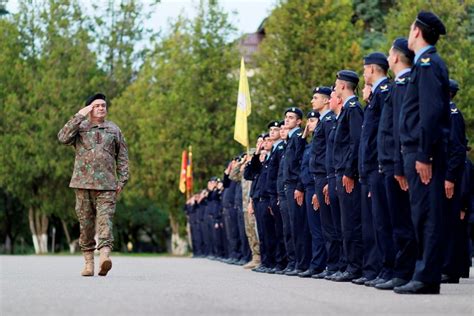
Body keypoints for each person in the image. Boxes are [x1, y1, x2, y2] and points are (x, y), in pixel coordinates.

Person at [396, 10, 450, 295]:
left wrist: (424, 155)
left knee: (427, 214)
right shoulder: (423, 65)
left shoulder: (428, 64)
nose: (408, 32)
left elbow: (429, 114)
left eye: (409, 28)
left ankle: (427, 276)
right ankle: (424, 273)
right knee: (421, 213)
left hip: (423, 151)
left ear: (417, 31)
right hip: (418, 149)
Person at [58, 93, 129, 277]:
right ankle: (88, 263)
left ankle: (105, 257)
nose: (101, 108)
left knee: (105, 222)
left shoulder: (114, 130)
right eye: (97, 105)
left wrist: (122, 181)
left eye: (103, 105)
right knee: (86, 225)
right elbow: (62, 137)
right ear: (89, 108)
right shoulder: (80, 127)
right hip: (82, 185)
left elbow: (122, 158)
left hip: (107, 185)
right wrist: (79, 115)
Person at [375, 38, 417, 290]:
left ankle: (405, 272)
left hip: (397, 165)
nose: (388, 58)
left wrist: (398, 167)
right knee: (396, 220)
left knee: (403, 221)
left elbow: (402, 129)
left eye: (390, 54)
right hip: (391, 163)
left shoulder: (403, 84)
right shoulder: (397, 86)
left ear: (397, 58)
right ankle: (401, 270)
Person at [360, 52, 395, 287]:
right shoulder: (375, 96)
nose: (364, 73)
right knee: (379, 221)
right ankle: (385, 269)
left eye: (365, 69)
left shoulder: (384, 93)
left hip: (380, 165)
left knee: (386, 220)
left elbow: (383, 134)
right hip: (374, 166)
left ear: (372, 69)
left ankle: (391, 269)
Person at [332, 70, 364, 282]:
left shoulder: (353, 109)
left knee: (352, 222)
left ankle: (355, 267)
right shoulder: (346, 110)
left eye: (336, 85)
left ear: (343, 86)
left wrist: (350, 172)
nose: (334, 88)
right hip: (342, 173)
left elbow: (355, 142)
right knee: (346, 223)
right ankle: (350, 264)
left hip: (348, 174)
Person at [441, 79, 468, 284]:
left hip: (450, 177)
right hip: (442, 175)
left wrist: (450, 177)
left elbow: (457, 149)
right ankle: (446, 266)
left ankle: (450, 269)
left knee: (450, 223)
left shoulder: (452, 114)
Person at [283, 107, 312, 276]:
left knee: (299, 226)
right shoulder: (291, 138)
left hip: (295, 185)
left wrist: (300, 186)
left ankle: (302, 263)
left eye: (291, 117)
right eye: (286, 117)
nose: (287, 120)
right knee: (292, 226)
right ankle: (296, 262)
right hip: (289, 185)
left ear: (299, 122)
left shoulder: (298, 138)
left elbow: (301, 164)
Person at [297, 110, 326, 277]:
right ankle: (316, 263)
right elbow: (302, 166)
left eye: (313, 120)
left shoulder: (320, 142)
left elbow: (320, 167)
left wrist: (316, 190)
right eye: (309, 121)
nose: (309, 124)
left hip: (317, 187)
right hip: (308, 188)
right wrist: (304, 134)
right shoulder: (310, 145)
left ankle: (319, 265)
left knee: (319, 230)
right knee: (313, 229)